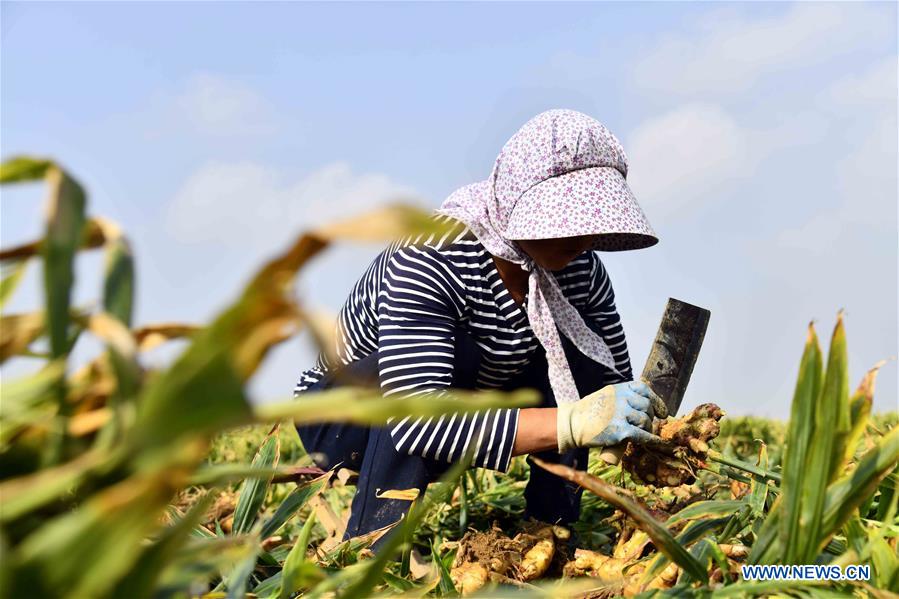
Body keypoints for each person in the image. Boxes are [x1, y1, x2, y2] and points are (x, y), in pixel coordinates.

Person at [292, 109, 663, 541]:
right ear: (513, 200)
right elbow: (419, 420)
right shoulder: (432, 256)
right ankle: (375, 543)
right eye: (563, 218)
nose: (580, 239)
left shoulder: (582, 273)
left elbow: (610, 383)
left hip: (473, 409)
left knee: (580, 360)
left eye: (589, 220)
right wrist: (570, 424)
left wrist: (633, 429)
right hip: (347, 422)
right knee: (461, 355)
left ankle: (551, 532)